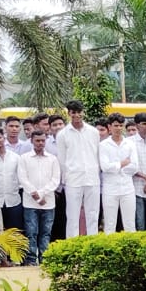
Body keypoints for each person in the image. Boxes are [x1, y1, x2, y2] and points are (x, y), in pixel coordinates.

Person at [58, 99, 102, 237]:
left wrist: (96, 173)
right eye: (73, 112)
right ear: (69, 113)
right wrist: (65, 179)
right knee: (72, 216)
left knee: (93, 214)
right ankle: (72, 245)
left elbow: (97, 155)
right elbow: (62, 160)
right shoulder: (62, 134)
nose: (77, 115)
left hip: (92, 178)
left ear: (83, 112)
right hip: (73, 180)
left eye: (79, 112)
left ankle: (92, 244)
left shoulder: (93, 132)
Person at [18, 131, 60, 265]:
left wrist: (41, 194)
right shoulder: (24, 158)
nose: (40, 143)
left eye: (43, 140)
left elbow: (55, 180)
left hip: (48, 202)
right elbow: (23, 179)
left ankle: (45, 258)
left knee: (46, 233)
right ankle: (31, 260)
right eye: (37, 140)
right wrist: (36, 196)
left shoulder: (52, 159)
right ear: (31, 141)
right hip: (30, 202)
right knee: (31, 232)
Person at [99, 112, 138, 233]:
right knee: (110, 224)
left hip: (127, 187)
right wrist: (122, 164)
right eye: (116, 125)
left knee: (130, 223)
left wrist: (116, 167)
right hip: (110, 189)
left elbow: (134, 166)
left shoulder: (130, 144)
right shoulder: (103, 145)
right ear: (109, 127)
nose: (118, 128)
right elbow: (105, 167)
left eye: (121, 125)